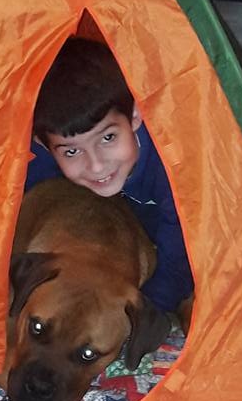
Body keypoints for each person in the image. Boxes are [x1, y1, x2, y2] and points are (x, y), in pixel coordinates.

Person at [26, 36, 193, 318]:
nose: (96, 165)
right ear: (44, 146)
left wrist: (141, 316)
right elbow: (11, 214)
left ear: (136, 115)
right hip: (133, 236)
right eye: (72, 152)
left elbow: (181, 259)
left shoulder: (172, 169)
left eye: (108, 137)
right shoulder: (44, 152)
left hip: (180, 242)